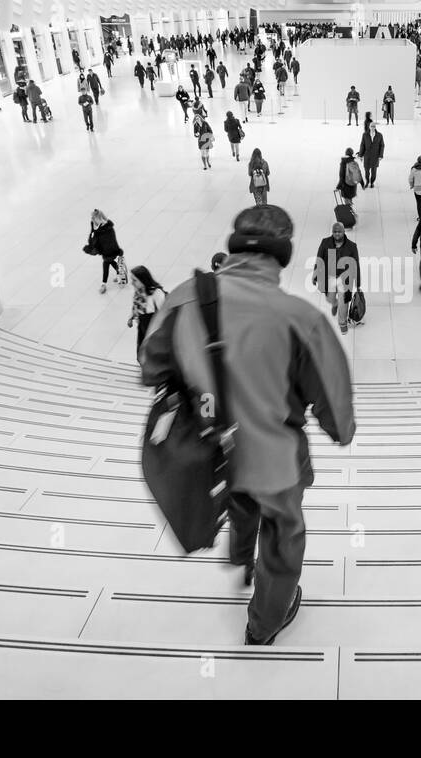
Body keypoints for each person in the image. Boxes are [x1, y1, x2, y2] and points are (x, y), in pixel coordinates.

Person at [140, 204, 356, 646]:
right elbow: (339, 417)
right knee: (283, 533)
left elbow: (150, 364)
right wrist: (337, 429)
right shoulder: (301, 319)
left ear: (234, 245)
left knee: (239, 500)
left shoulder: (185, 297)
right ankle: (263, 623)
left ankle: (240, 558)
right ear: (283, 254)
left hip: (212, 449)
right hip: (275, 461)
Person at [314, 221, 361, 334]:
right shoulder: (325, 243)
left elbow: (356, 264)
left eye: (339, 231)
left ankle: (342, 323)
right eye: (335, 231)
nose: (337, 234)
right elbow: (319, 258)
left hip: (344, 280)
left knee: (343, 302)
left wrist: (358, 283)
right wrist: (316, 275)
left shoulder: (352, 246)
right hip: (329, 277)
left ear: (344, 232)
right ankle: (334, 304)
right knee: (329, 298)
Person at [127, 265, 166, 353]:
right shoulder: (139, 291)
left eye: (134, 280)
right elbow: (135, 305)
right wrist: (131, 317)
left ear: (143, 280)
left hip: (153, 328)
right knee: (142, 350)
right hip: (142, 325)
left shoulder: (156, 293)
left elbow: (164, 313)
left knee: (152, 351)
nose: (132, 283)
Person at [87, 209, 127, 293]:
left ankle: (103, 284)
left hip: (110, 249)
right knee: (110, 261)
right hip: (104, 249)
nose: (92, 220)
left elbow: (111, 240)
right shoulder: (97, 226)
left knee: (106, 263)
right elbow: (93, 235)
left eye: (93, 218)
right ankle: (120, 273)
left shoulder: (107, 228)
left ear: (98, 218)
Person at [358, 121, 384, 187]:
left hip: (375, 157)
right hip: (367, 156)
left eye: (374, 126)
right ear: (369, 127)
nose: (372, 128)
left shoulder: (379, 135)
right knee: (366, 172)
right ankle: (367, 181)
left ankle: (372, 182)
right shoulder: (365, 134)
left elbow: (382, 145)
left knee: (374, 172)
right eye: (371, 126)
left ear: (375, 127)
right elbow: (362, 145)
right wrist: (360, 155)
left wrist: (381, 155)